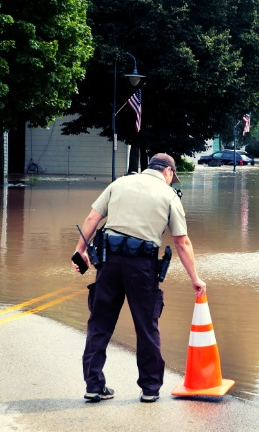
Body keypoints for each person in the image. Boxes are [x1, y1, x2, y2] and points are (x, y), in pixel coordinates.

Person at [72, 153, 206, 403]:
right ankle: (150, 389)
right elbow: (181, 241)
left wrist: (80, 250)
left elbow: (92, 218)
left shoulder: (119, 184)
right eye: (172, 177)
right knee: (146, 327)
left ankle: (93, 385)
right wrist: (195, 278)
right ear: (167, 172)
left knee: (99, 324)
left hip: (108, 263)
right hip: (141, 267)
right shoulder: (169, 196)